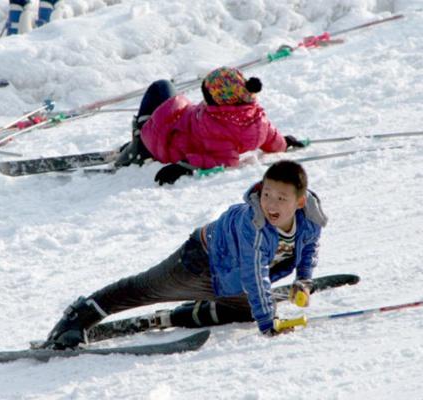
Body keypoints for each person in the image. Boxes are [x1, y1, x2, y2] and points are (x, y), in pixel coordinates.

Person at [43, 160, 326, 349]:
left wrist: (304, 279)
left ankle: (199, 310)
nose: (270, 204)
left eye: (281, 198)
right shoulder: (253, 224)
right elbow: (255, 273)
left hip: (230, 279)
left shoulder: (310, 218)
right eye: (267, 194)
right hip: (199, 260)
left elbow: (308, 247)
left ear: (300, 202)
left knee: (248, 312)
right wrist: (269, 326)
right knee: (145, 289)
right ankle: (77, 317)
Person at [115, 67, 306, 185]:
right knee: (165, 92)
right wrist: (284, 143)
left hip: (164, 142)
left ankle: (138, 148)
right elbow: (271, 137)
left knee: (160, 87)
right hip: (178, 124)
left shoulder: (216, 125)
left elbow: (224, 160)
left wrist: (184, 167)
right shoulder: (255, 117)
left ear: (219, 99)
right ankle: (138, 140)